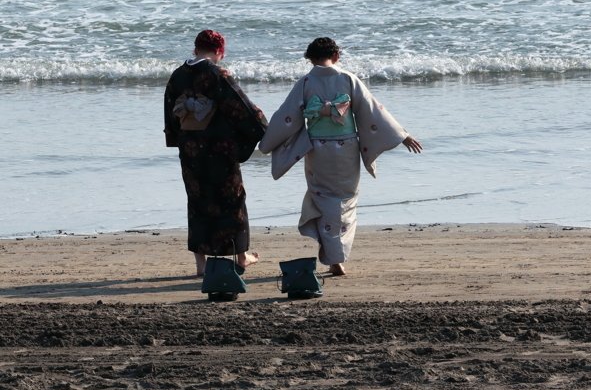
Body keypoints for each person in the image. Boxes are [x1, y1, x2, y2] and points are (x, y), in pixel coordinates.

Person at [259, 37, 422, 276]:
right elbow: (373, 110)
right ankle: (337, 257)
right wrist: (402, 135)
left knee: (323, 198)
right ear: (336, 56)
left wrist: (266, 143)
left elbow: (286, 117)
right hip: (346, 148)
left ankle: (332, 256)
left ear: (310, 59)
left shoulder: (304, 82)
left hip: (317, 149)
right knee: (345, 201)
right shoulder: (348, 78)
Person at [164, 30, 268, 276]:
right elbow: (243, 108)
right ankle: (241, 257)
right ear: (220, 51)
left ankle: (201, 265)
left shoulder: (177, 75)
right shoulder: (217, 73)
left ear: (195, 48)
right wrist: (264, 128)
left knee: (197, 200)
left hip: (190, 149)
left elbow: (171, 114)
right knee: (232, 198)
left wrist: (177, 140)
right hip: (219, 148)